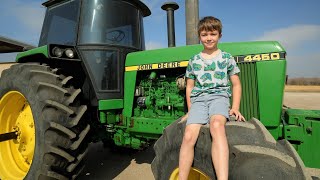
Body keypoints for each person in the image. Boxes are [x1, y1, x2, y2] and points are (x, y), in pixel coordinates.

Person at [179, 16, 245, 180]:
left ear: (219, 35)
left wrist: (235, 107)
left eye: (213, 34)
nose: (208, 38)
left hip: (219, 97)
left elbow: (236, 84)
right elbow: (189, 86)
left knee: (216, 125)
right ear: (199, 36)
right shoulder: (194, 60)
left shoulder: (226, 58)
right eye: (204, 35)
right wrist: (190, 109)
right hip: (199, 100)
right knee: (188, 135)